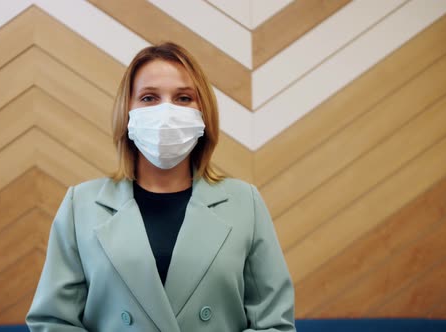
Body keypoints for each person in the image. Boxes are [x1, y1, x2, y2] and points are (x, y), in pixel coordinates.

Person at [26, 42, 295, 332]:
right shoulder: (81, 205)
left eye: (182, 98)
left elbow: (274, 324)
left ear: (203, 112)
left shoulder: (245, 203)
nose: (166, 112)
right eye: (149, 97)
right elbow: (52, 322)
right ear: (127, 110)